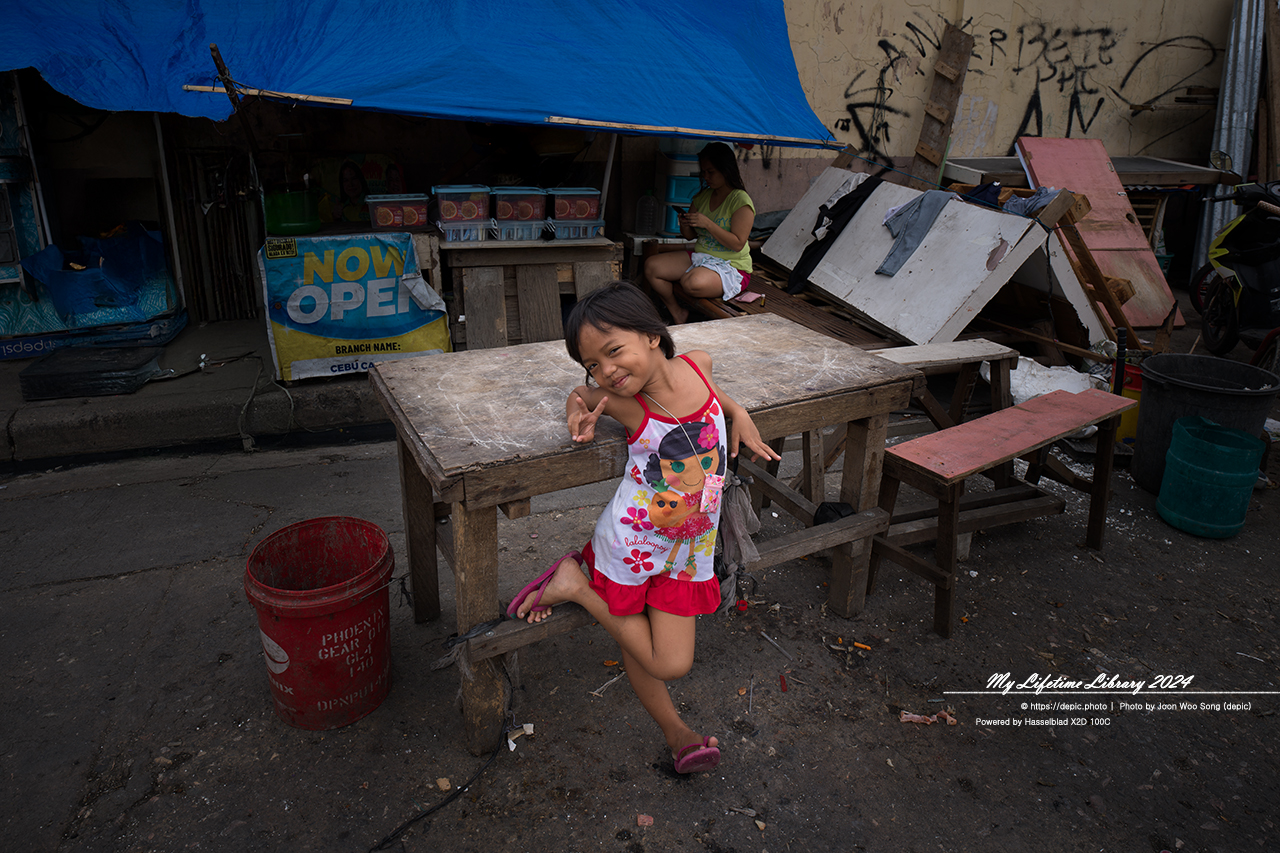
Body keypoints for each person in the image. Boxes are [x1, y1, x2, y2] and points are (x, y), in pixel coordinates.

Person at [507, 281, 780, 774]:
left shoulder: (698, 362)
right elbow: (577, 393)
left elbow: (709, 388)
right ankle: (577, 586)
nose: (605, 372)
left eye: (613, 352)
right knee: (664, 659)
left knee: (661, 653)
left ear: (652, 335)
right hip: (633, 547)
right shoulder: (631, 405)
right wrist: (578, 416)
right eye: (592, 363)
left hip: (689, 551)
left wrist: (739, 413)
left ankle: (677, 735)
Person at [644, 142, 755, 324]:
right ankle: (677, 312)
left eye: (710, 172)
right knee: (651, 266)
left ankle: (696, 290)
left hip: (732, 266)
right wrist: (685, 224)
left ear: (725, 170)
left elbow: (737, 244)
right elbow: (690, 236)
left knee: (691, 282)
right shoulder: (702, 197)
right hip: (702, 256)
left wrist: (708, 224)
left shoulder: (740, 200)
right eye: (703, 172)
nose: (706, 177)